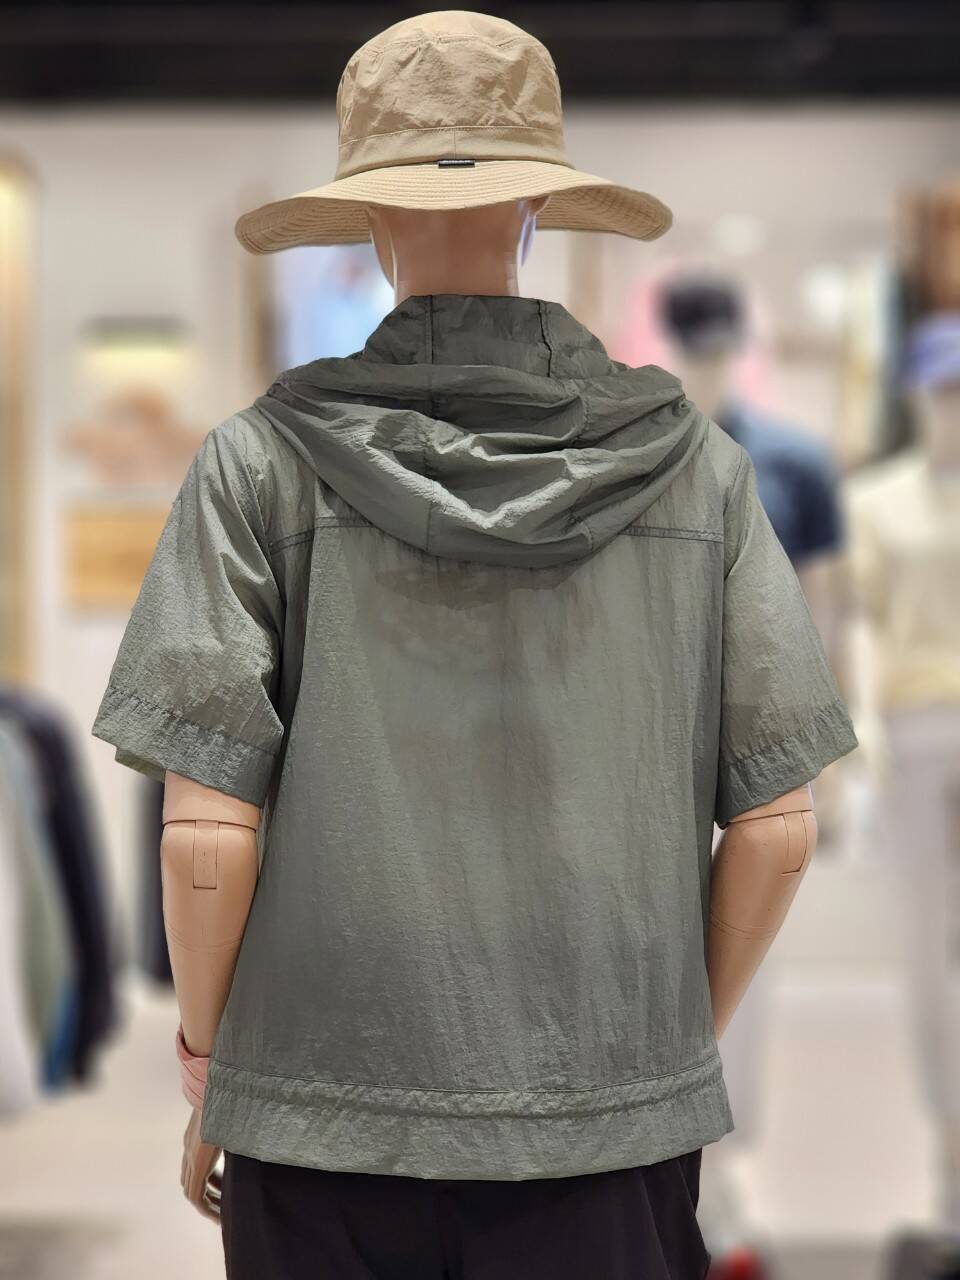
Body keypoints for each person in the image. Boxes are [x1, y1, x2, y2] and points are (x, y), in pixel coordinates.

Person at [91, 11, 859, 1279]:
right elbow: (778, 822)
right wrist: (662, 1059)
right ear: (538, 211)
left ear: (369, 222)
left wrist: (218, 1062)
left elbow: (203, 829)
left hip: (320, 1113)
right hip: (609, 1111)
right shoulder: (701, 473)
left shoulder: (256, 464)